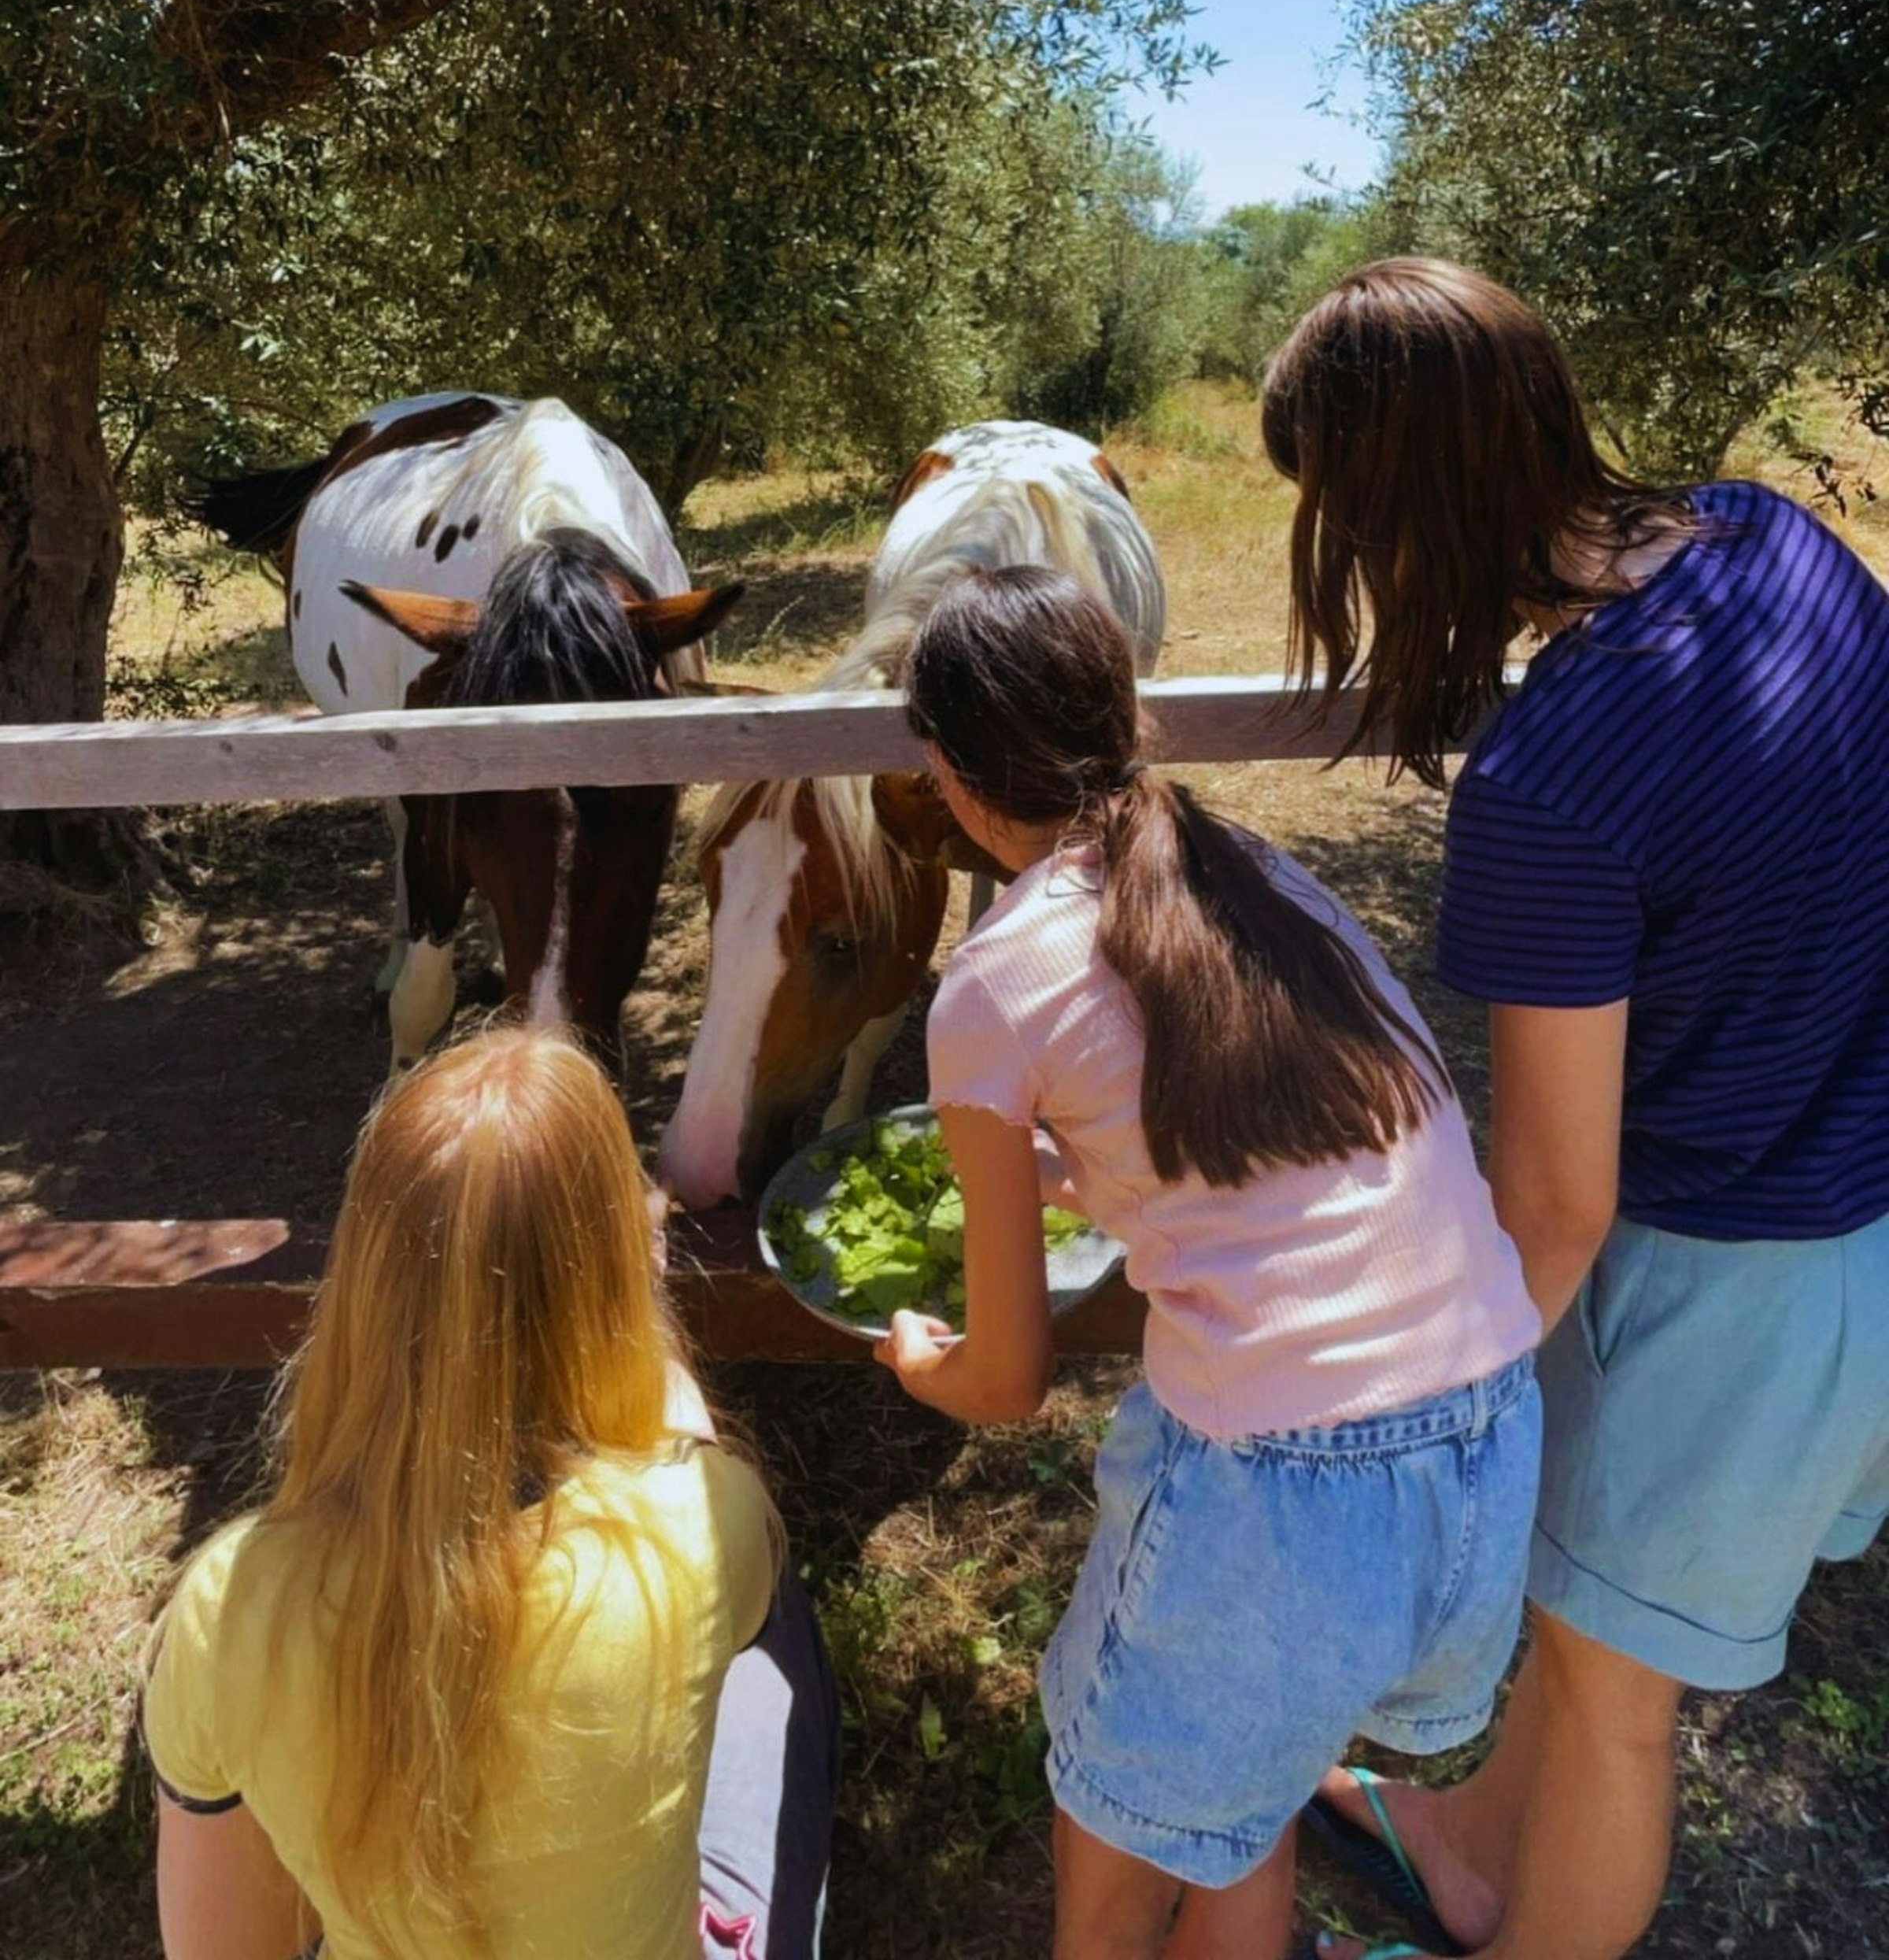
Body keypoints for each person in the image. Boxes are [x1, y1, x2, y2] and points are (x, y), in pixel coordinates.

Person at [1260, 257, 1889, 1960]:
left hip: (1721, 1291)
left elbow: (1554, 1204)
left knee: (1621, 1702)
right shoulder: (1782, 543)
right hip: (1859, 1219)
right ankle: (1463, 1846)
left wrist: (1421, 1424)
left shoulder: (1553, 785)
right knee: (1585, 1611)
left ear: (1391, 506)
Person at [875, 561, 1542, 1960]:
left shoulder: (995, 981)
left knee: (1115, 1869)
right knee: (1243, 1807)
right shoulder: (1264, 874)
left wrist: (917, 1362)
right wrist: (1094, 1173)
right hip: (1486, 1436)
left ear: (942, 770)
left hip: (1282, 1501)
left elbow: (1004, 1381)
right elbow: (1299, 1152)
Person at [142, 1028, 839, 1960]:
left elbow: (223, 1950)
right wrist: (649, 1301)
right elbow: (681, 1450)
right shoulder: (700, 1526)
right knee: (776, 1647)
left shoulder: (225, 1610)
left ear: (363, 1284)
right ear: (614, 1286)